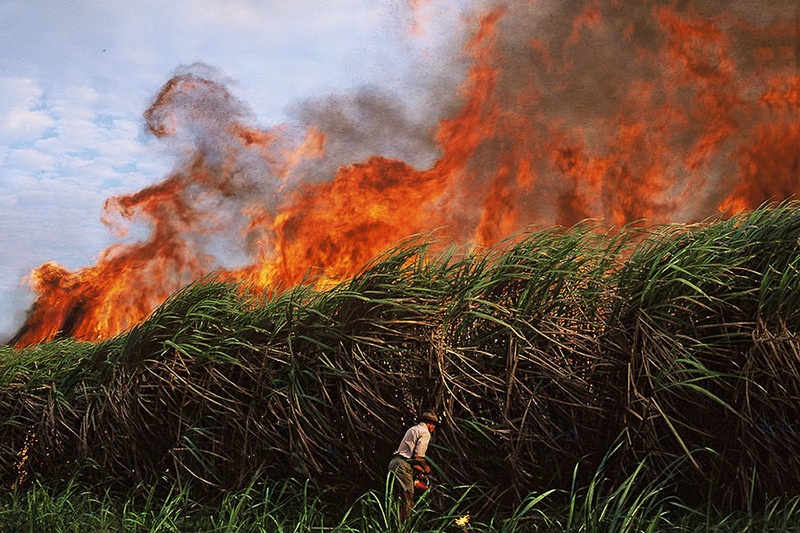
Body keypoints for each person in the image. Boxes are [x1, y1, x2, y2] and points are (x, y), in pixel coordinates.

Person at [387, 410, 439, 521]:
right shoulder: (425, 433)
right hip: (402, 466)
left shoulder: (413, 429)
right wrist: (426, 468)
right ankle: (404, 527)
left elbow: (409, 456)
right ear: (430, 423)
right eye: (434, 425)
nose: (434, 428)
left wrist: (419, 468)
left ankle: (393, 524)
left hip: (394, 463)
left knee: (398, 499)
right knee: (407, 500)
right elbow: (418, 457)